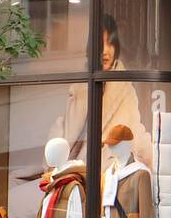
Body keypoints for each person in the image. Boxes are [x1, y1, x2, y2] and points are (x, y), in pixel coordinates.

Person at [53, 14, 154, 170]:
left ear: (117, 47)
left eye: (110, 43)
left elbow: (135, 133)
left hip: (109, 173)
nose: (105, 51)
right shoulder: (79, 88)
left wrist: (157, 162)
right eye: (100, 44)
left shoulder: (125, 90)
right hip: (77, 171)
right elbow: (66, 130)